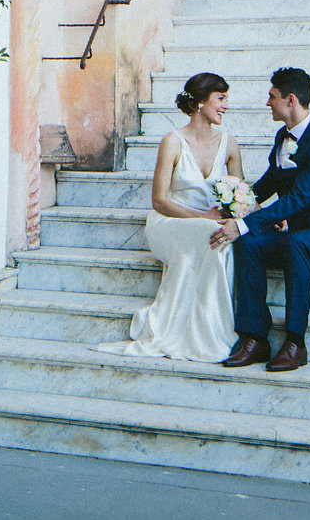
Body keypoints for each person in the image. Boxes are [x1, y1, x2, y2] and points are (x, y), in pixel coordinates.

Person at [96, 70, 248, 362]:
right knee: (209, 233)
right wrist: (200, 216)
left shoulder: (229, 144)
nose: (226, 105)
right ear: (200, 102)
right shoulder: (173, 142)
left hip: (207, 222)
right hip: (169, 222)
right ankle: (209, 336)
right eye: (221, 98)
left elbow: (240, 194)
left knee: (219, 235)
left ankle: (213, 328)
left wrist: (234, 215)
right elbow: (159, 200)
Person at [214, 66, 310, 372]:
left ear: (290, 100)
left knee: (293, 244)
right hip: (295, 232)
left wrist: (243, 223)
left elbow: (299, 198)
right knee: (249, 243)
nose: (268, 103)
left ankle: (295, 343)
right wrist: (236, 201)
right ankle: (255, 338)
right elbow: (270, 183)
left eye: (272, 96)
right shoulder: (283, 135)